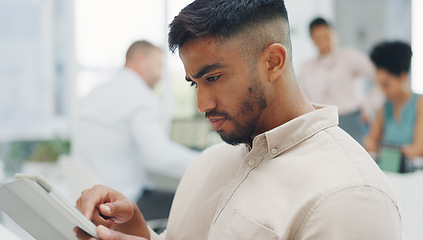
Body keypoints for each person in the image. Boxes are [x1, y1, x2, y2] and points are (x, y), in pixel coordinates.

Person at [74, 1, 402, 239]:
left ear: (273, 62)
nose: (202, 103)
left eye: (213, 77)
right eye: (194, 83)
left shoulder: (348, 197)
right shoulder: (208, 164)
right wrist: (141, 233)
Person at [71, 40, 199, 219]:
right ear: (140, 59)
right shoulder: (139, 96)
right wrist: (207, 160)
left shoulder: (96, 93)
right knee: (199, 205)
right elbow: (159, 158)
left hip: (91, 203)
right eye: (158, 66)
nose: (161, 75)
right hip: (125, 202)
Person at [299, 17, 382, 144]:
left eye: (326, 36)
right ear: (312, 40)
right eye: (317, 38)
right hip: (322, 122)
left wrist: (369, 106)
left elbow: (380, 79)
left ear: (334, 33)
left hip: (351, 119)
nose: (323, 42)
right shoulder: (306, 67)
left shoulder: (349, 56)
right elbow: (303, 97)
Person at [364, 41, 423, 161]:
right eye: (379, 84)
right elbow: (370, 140)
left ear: (403, 76)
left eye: (386, 84)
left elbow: (418, 149)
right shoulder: (385, 106)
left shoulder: (419, 103)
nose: (382, 90)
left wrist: (383, 149)